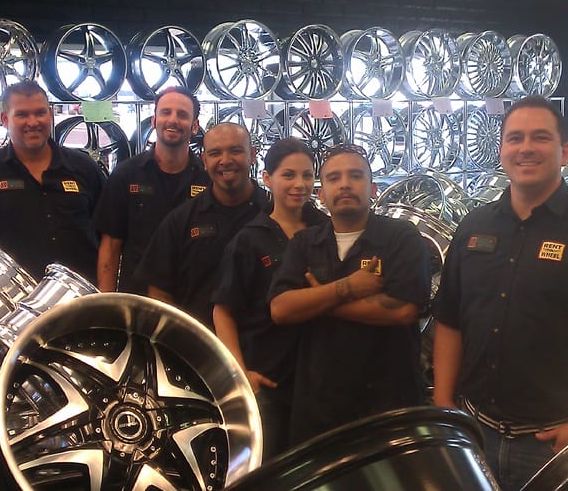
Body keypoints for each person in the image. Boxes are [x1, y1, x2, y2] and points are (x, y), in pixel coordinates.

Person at [431, 96, 568, 491]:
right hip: (476, 434)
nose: (526, 148)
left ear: (564, 152)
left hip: (553, 445)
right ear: (501, 151)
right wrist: (445, 405)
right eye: (515, 138)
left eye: (540, 137)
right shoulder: (474, 227)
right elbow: (449, 320)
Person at [268, 143, 430, 445]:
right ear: (321, 195)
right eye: (333, 178)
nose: (344, 184)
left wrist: (319, 299)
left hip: (389, 405)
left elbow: (403, 310)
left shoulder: (402, 237)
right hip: (319, 409)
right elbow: (281, 309)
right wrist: (348, 288)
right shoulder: (304, 243)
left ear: (373, 189)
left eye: (355, 176)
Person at [212, 138, 328, 459]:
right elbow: (223, 310)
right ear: (267, 178)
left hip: (321, 379)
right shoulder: (250, 239)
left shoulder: (327, 231)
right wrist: (240, 374)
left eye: (307, 175)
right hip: (268, 380)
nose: (299, 184)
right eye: (288, 175)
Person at [0, 80, 105, 284]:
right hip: (15, 298)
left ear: (50, 115)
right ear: (5, 119)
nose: (33, 122)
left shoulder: (83, 167)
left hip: (81, 296)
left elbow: (109, 238)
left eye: (40, 113)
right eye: (22, 115)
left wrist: (109, 294)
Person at [135, 122, 268, 328]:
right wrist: (185, 337)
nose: (226, 160)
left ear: (252, 155)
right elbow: (158, 292)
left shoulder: (274, 213)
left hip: (265, 344)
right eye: (215, 153)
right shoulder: (180, 221)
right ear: (204, 160)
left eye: (235, 151)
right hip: (198, 343)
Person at [94, 87, 209, 293]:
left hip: (193, 300)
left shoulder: (208, 180)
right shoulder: (126, 175)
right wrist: (106, 303)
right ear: (154, 120)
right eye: (166, 112)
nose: (173, 120)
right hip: (138, 299)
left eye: (182, 115)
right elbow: (110, 246)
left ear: (194, 126)